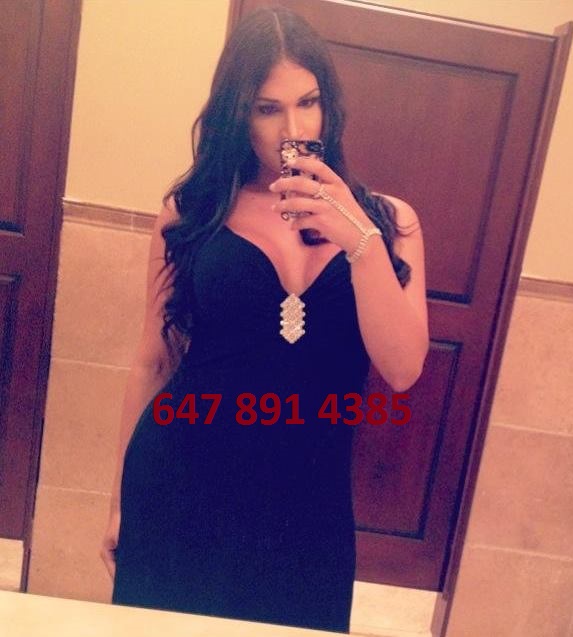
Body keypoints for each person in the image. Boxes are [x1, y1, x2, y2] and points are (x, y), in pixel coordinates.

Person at [100, 6, 428, 635]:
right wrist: (118, 501)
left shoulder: (389, 222)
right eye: (267, 108)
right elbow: (154, 359)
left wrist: (358, 238)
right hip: (181, 483)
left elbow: (403, 366)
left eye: (308, 102)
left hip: (308, 505)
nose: (293, 129)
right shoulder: (192, 212)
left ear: (329, 106)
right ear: (237, 114)